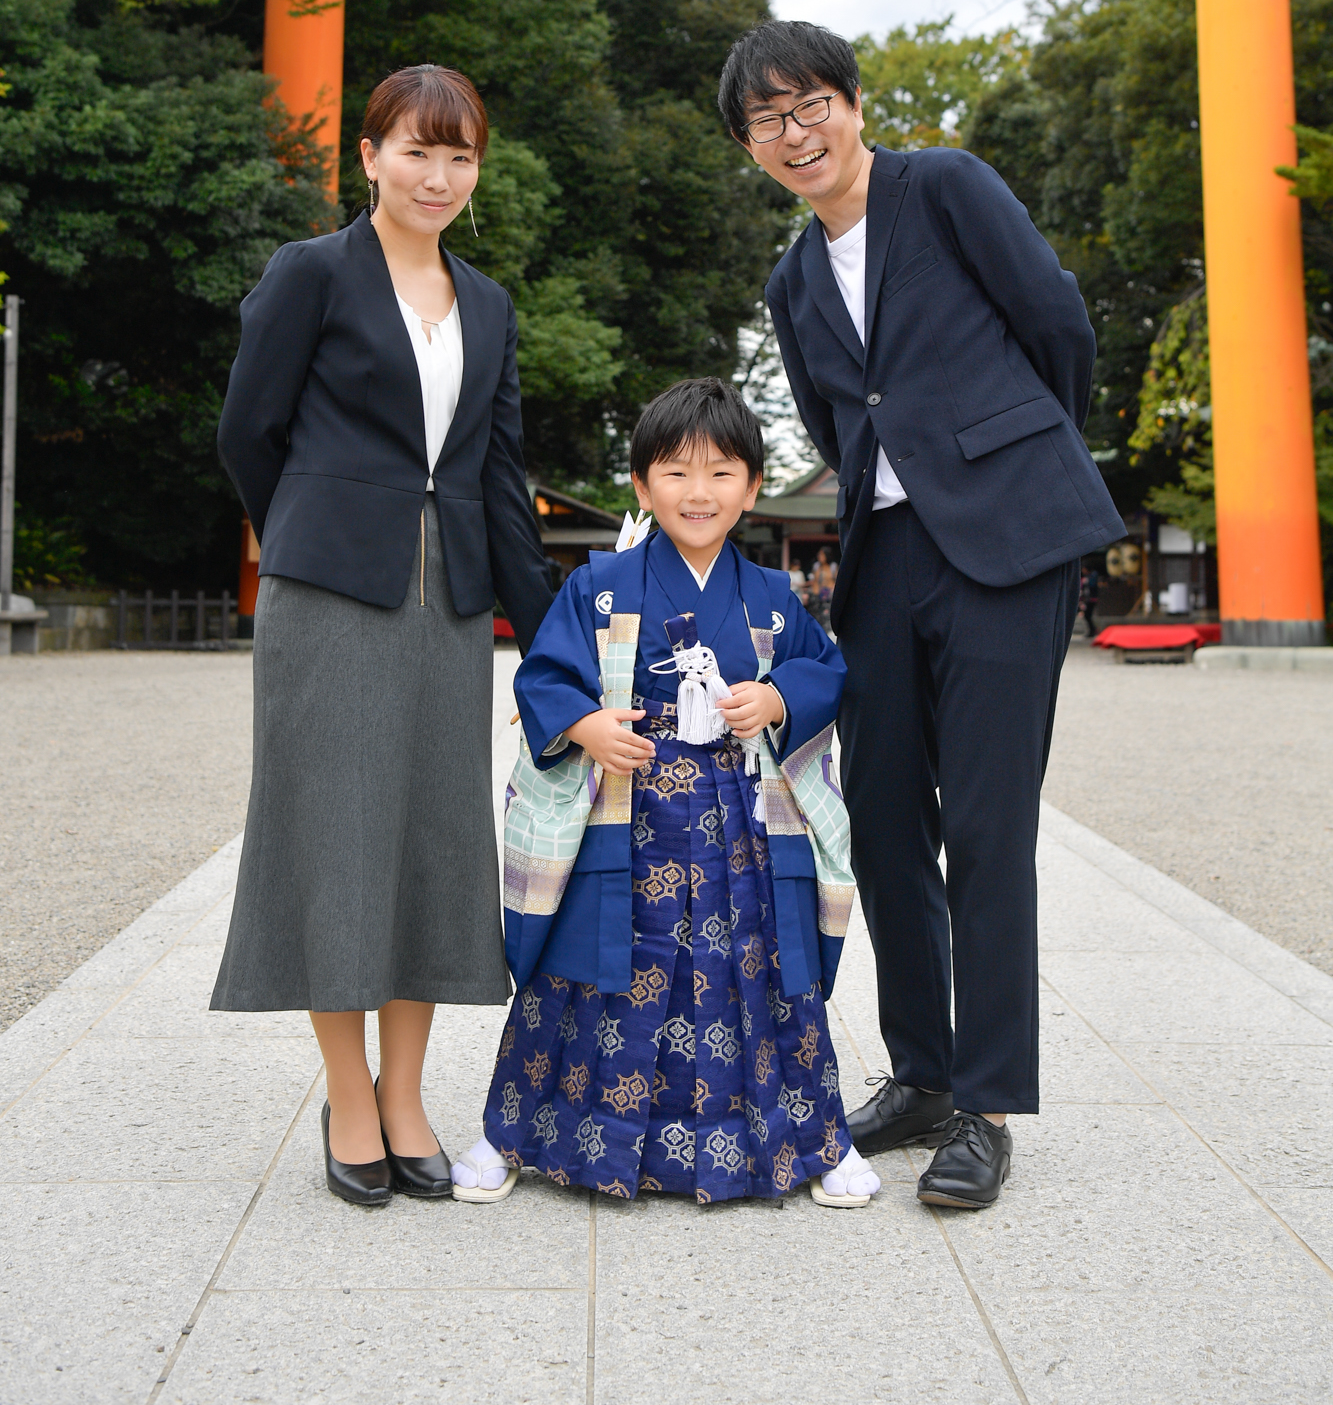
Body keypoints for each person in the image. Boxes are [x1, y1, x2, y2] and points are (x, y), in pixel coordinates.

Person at [718, 21, 1124, 1210]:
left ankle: (989, 1106)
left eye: (808, 107)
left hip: (1006, 542)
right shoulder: (792, 279)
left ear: (850, 101)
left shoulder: (942, 186)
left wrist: (1012, 458)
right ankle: (926, 1073)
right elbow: (836, 422)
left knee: (989, 825)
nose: (794, 135)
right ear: (749, 147)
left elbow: (1056, 325)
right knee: (885, 819)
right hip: (884, 559)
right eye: (764, 122)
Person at [212, 63, 553, 1208]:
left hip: (448, 605)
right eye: (418, 149)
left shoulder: (491, 302)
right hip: (329, 599)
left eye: (460, 156)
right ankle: (347, 1095)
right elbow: (249, 430)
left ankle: (407, 1094)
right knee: (337, 841)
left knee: (430, 843)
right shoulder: (310, 272)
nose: (439, 174)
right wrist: (317, 525)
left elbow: (500, 477)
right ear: (369, 156)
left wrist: (550, 640)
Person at [450, 377, 882, 1208]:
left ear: (753, 489)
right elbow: (545, 673)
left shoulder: (771, 595)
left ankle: (815, 1139)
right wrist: (584, 727)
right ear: (642, 486)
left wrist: (779, 698)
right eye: (676, 472)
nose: (698, 491)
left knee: (760, 976)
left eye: (721, 472)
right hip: (624, 815)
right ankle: (517, 1131)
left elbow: (824, 669)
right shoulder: (599, 584)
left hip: (738, 828)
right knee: (586, 972)